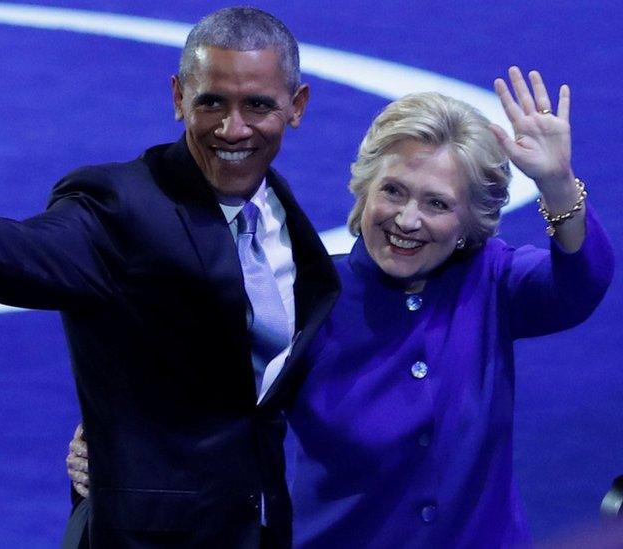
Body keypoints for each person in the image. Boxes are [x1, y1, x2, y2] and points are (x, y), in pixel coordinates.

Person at [0, 7, 340, 548]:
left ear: (296, 106)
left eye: (257, 105)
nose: (232, 128)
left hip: (260, 530)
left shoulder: (286, 220)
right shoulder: (119, 205)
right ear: (178, 97)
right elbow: (25, 255)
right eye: (211, 101)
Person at [66, 67, 614, 546]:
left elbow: (579, 286)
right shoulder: (306, 294)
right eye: (394, 192)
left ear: (472, 222)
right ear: (364, 189)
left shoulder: (492, 279)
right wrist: (112, 445)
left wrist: (557, 183)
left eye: (437, 204)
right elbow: (201, 393)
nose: (407, 220)